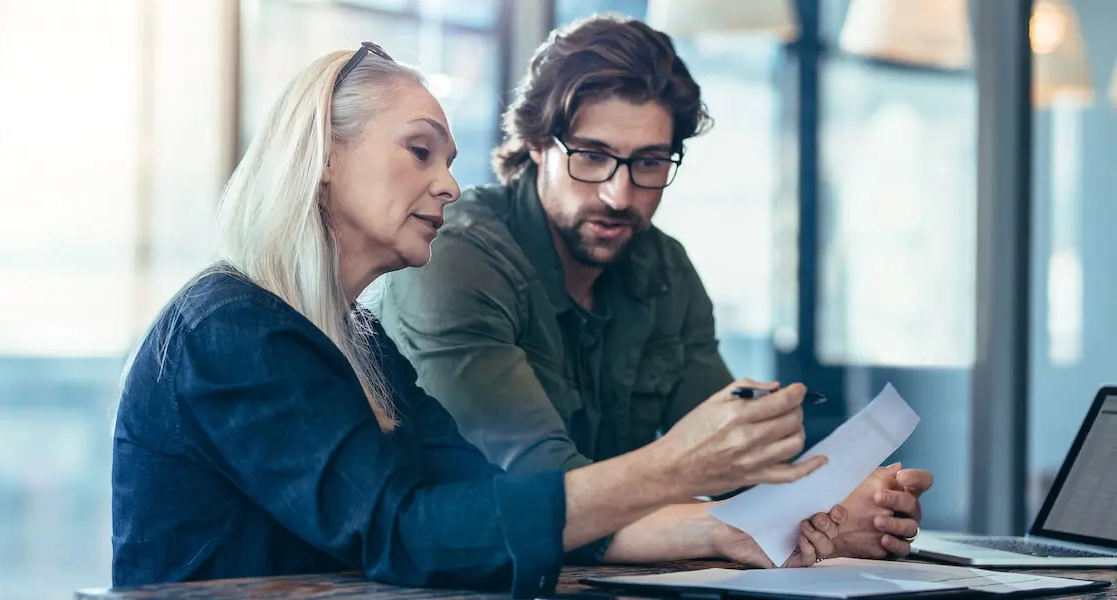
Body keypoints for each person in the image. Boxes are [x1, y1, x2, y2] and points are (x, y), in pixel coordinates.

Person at [110, 43, 845, 597]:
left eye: (450, 159)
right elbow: (406, 533)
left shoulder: (358, 340)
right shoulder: (232, 330)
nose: (449, 185)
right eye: (419, 151)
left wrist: (735, 529)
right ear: (324, 158)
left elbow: (485, 503)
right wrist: (673, 468)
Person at [377, 15, 933, 561]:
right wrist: (749, 521)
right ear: (538, 144)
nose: (621, 195)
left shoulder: (663, 268)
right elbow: (542, 493)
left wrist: (842, 500)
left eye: (648, 162)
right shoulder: (455, 256)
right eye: (592, 157)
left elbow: (739, 463)